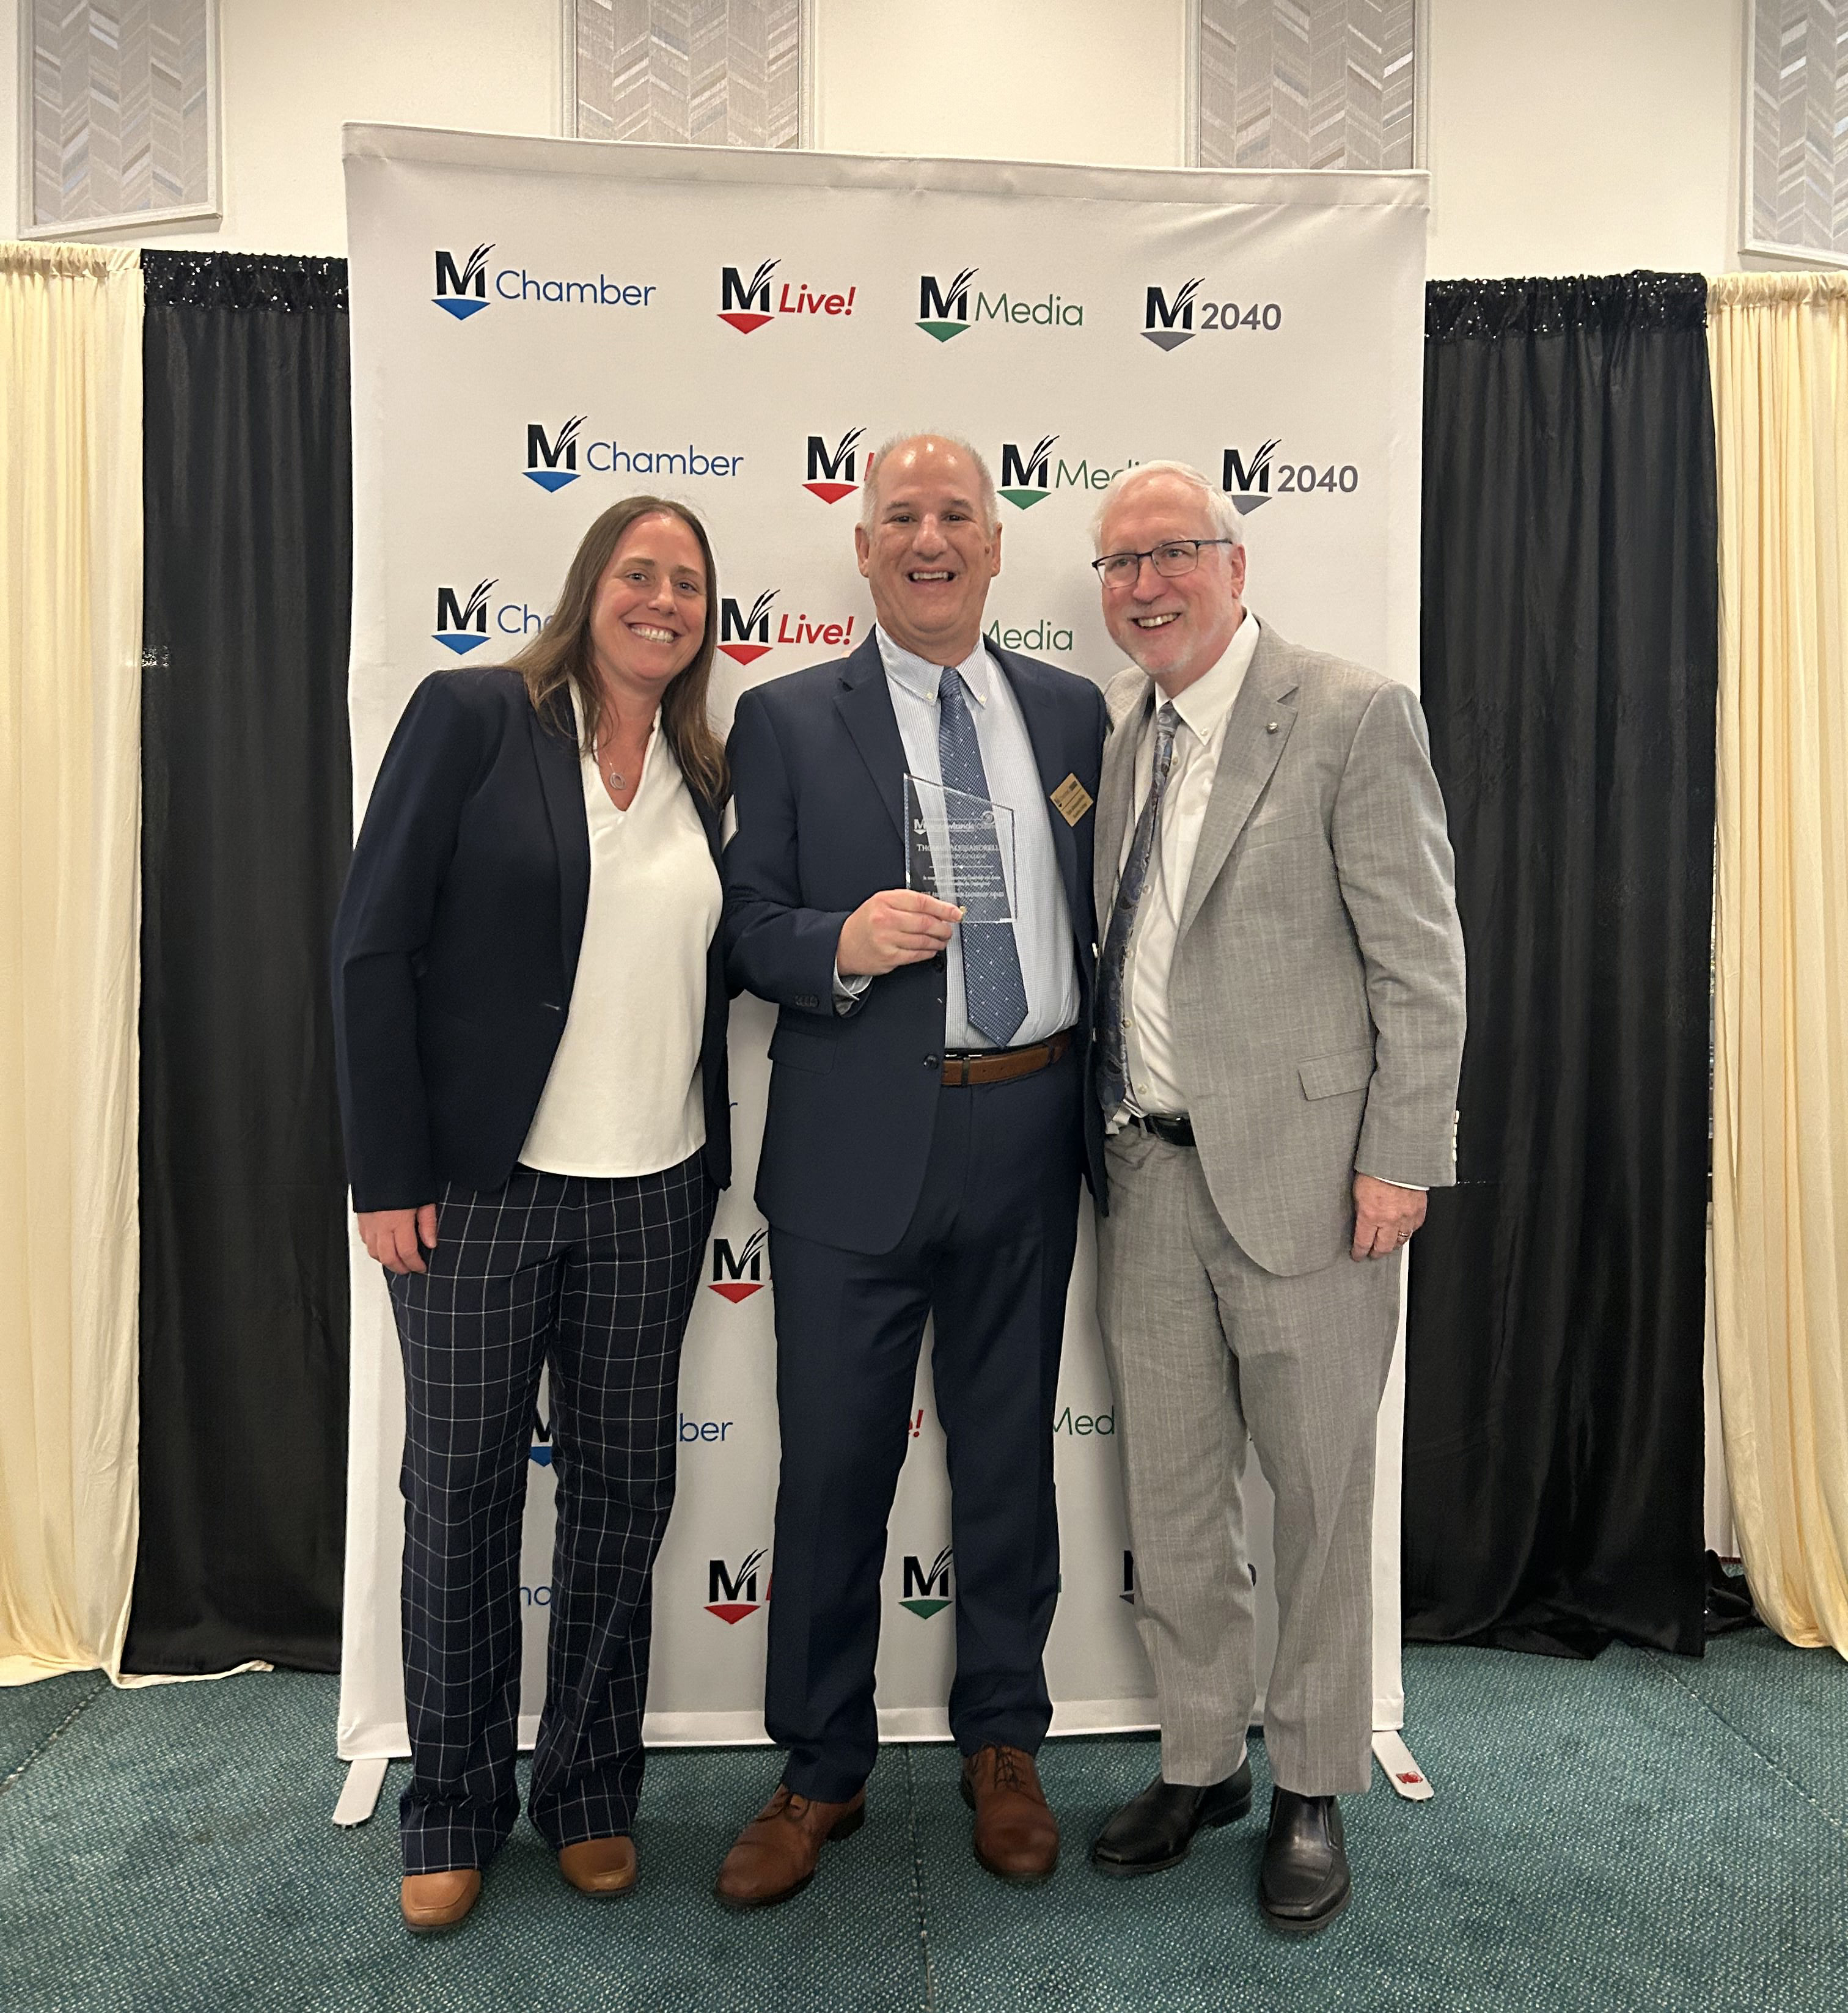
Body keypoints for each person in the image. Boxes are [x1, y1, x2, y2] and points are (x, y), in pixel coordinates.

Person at [714, 433, 1107, 1907]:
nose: (929, 539)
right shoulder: (785, 718)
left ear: (997, 547)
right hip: (851, 1151)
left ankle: (1006, 1743)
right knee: (832, 1475)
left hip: (1028, 1126)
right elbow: (746, 928)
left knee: (1010, 1458)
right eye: (901, 519)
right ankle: (820, 1771)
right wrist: (837, 946)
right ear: (861, 549)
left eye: (957, 515)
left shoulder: (1072, 713)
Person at [330, 496, 732, 1932]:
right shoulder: (474, 717)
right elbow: (372, 945)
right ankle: (449, 1805)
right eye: (641, 572)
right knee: (461, 1498)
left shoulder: (703, 768)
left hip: (657, 1192)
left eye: (688, 583)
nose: (664, 601)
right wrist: (388, 1173)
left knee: (624, 1500)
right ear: (591, 585)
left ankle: (587, 1791)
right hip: (479, 1194)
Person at [1083, 461, 1465, 1935]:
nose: (1144, 586)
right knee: (1175, 1502)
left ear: (1235, 564)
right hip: (1149, 1175)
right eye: (1119, 565)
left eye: (1170, 553)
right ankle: (1201, 1760)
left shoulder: (1352, 712)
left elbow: (1420, 964)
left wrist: (1398, 1158)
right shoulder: (1130, 735)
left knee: (1316, 1499)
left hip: (1315, 1186)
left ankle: (1309, 1776)